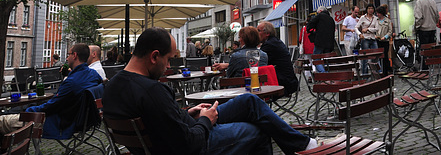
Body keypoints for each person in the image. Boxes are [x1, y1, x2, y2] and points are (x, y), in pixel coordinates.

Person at [102, 27, 317, 155]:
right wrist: (206, 120)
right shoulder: (152, 91)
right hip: (194, 141)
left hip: (177, 132)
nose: (168, 67)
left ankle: (304, 144)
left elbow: (161, 120)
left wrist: (188, 113)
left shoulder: (111, 87)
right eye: (168, 60)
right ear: (154, 56)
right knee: (257, 130)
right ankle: (304, 147)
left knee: (248, 101)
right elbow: (189, 144)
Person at [0, 43, 103, 138]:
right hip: (80, 121)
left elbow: (50, 107)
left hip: (59, 123)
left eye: (69, 54)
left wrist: (28, 111)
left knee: (2, 121)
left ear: (75, 55)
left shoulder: (72, 82)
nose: (67, 58)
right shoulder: (93, 75)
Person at [257, 21, 298, 95]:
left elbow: (259, 62)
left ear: (267, 33)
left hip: (282, 84)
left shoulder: (269, 45)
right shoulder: (274, 41)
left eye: (258, 31)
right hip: (289, 81)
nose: (256, 34)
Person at [307, 6, 335, 73]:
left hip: (320, 41)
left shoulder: (320, 16)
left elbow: (311, 23)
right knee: (326, 59)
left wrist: (309, 30)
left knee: (316, 57)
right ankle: (327, 75)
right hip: (329, 43)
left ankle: (323, 73)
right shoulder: (331, 19)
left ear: (320, 11)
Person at [357, 4, 379, 73]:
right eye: (369, 8)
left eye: (372, 8)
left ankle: (375, 73)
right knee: (365, 58)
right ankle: (364, 75)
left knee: (376, 56)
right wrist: (360, 34)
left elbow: (377, 29)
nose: (370, 10)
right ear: (367, 9)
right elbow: (356, 27)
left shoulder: (375, 18)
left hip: (372, 38)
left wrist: (368, 29)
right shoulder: (363, 17)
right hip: (365, 38)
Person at [375, 6, 394, 76]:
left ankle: (386, 71)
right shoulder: (376, 20)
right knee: (379, 56)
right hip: (377, 40)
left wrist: (385, 37)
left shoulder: (388, 21)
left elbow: (390, 31)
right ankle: (381, 71)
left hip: (385, 41)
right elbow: (373, 29)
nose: (377, 14)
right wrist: (375, 36)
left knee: (385, 56)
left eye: (378, 13)